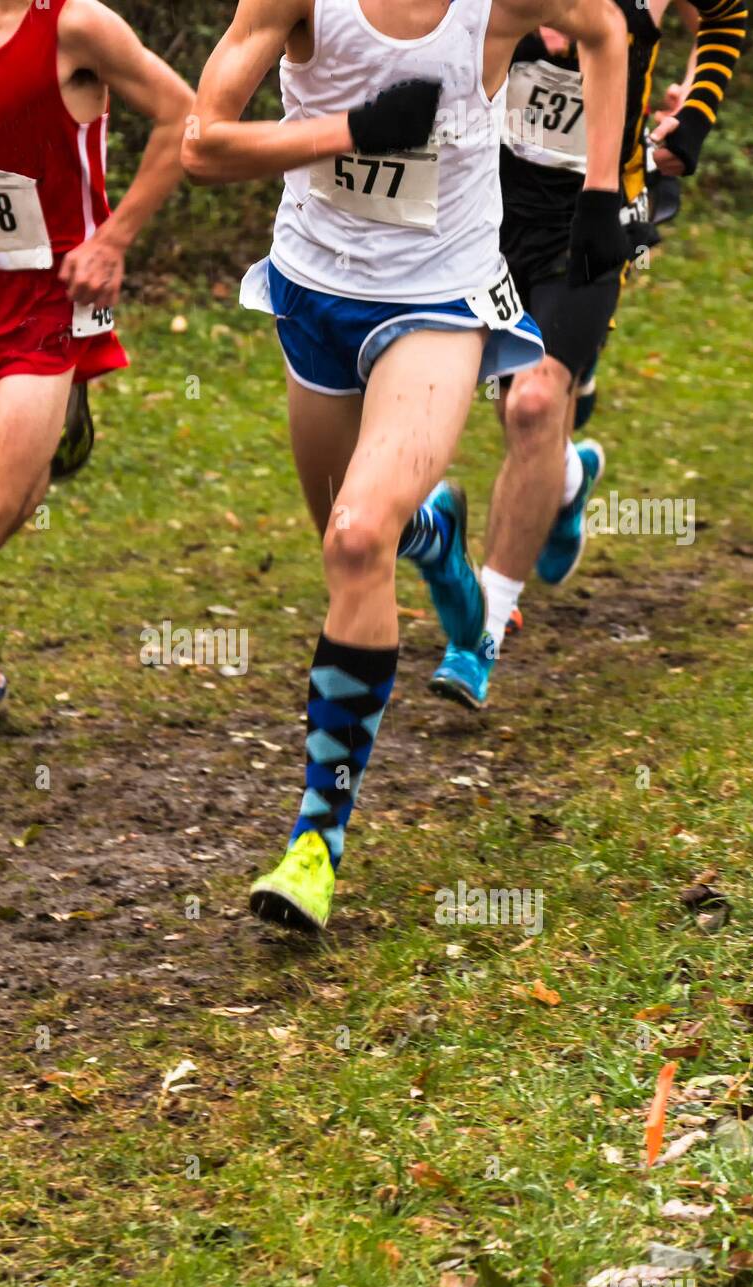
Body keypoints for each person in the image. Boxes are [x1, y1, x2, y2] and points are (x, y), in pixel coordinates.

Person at [184, 0, 629, 931]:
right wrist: (348, 130)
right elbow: (202, 145)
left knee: (353, 541)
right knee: (353, 538)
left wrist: (597, 192)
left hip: (437, 300)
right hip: (312, 293)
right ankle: (432, 530)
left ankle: (315, 842)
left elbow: (605, 28)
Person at [0, 0, 192, 740]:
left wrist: (114, 241)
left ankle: (57, 408)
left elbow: (182, 115)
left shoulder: (77, 25)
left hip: (54, 291)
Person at [428, 0, 747, 709]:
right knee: (512, 404)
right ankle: (568, 477)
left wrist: (691, 117)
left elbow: (725, 13)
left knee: (536, 404)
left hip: (596, 213)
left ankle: (481, 631)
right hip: (488, 204)